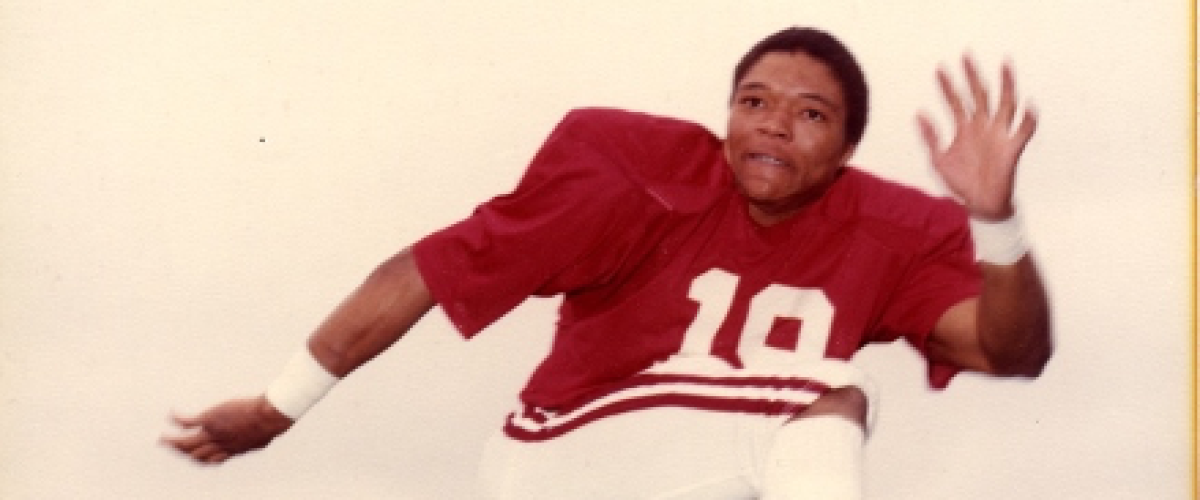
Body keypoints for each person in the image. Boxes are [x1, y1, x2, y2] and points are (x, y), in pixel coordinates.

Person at [162, 26, 1052, 499]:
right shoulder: (635, 174)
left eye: (810, 114)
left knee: (808, 410)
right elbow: (421, 273)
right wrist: (277, 409)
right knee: (825, 396)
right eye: (754, 102)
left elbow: (1013, 351)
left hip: (699, 473)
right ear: (727, 114)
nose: (775, 124)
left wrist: (998, 224)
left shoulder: (892, 228)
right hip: (564, 455)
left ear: (849, 145)